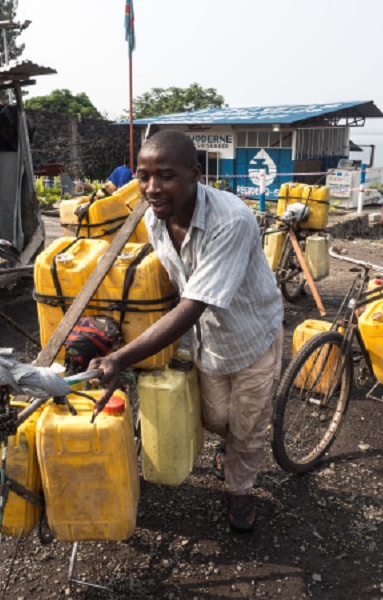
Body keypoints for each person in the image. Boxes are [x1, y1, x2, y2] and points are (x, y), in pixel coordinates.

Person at [90, 130, 284, 533]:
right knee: (214, 418)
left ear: (196, 174)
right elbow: (164, 283)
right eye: (143, 176)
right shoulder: (153, 218)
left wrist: (121, 358)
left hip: (251, 335)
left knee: (247, 427)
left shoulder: (231, 221)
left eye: (166, 176)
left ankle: (240, 491)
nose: (152, 188)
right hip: (206, 341)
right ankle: (231, 449)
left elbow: (193, 304)